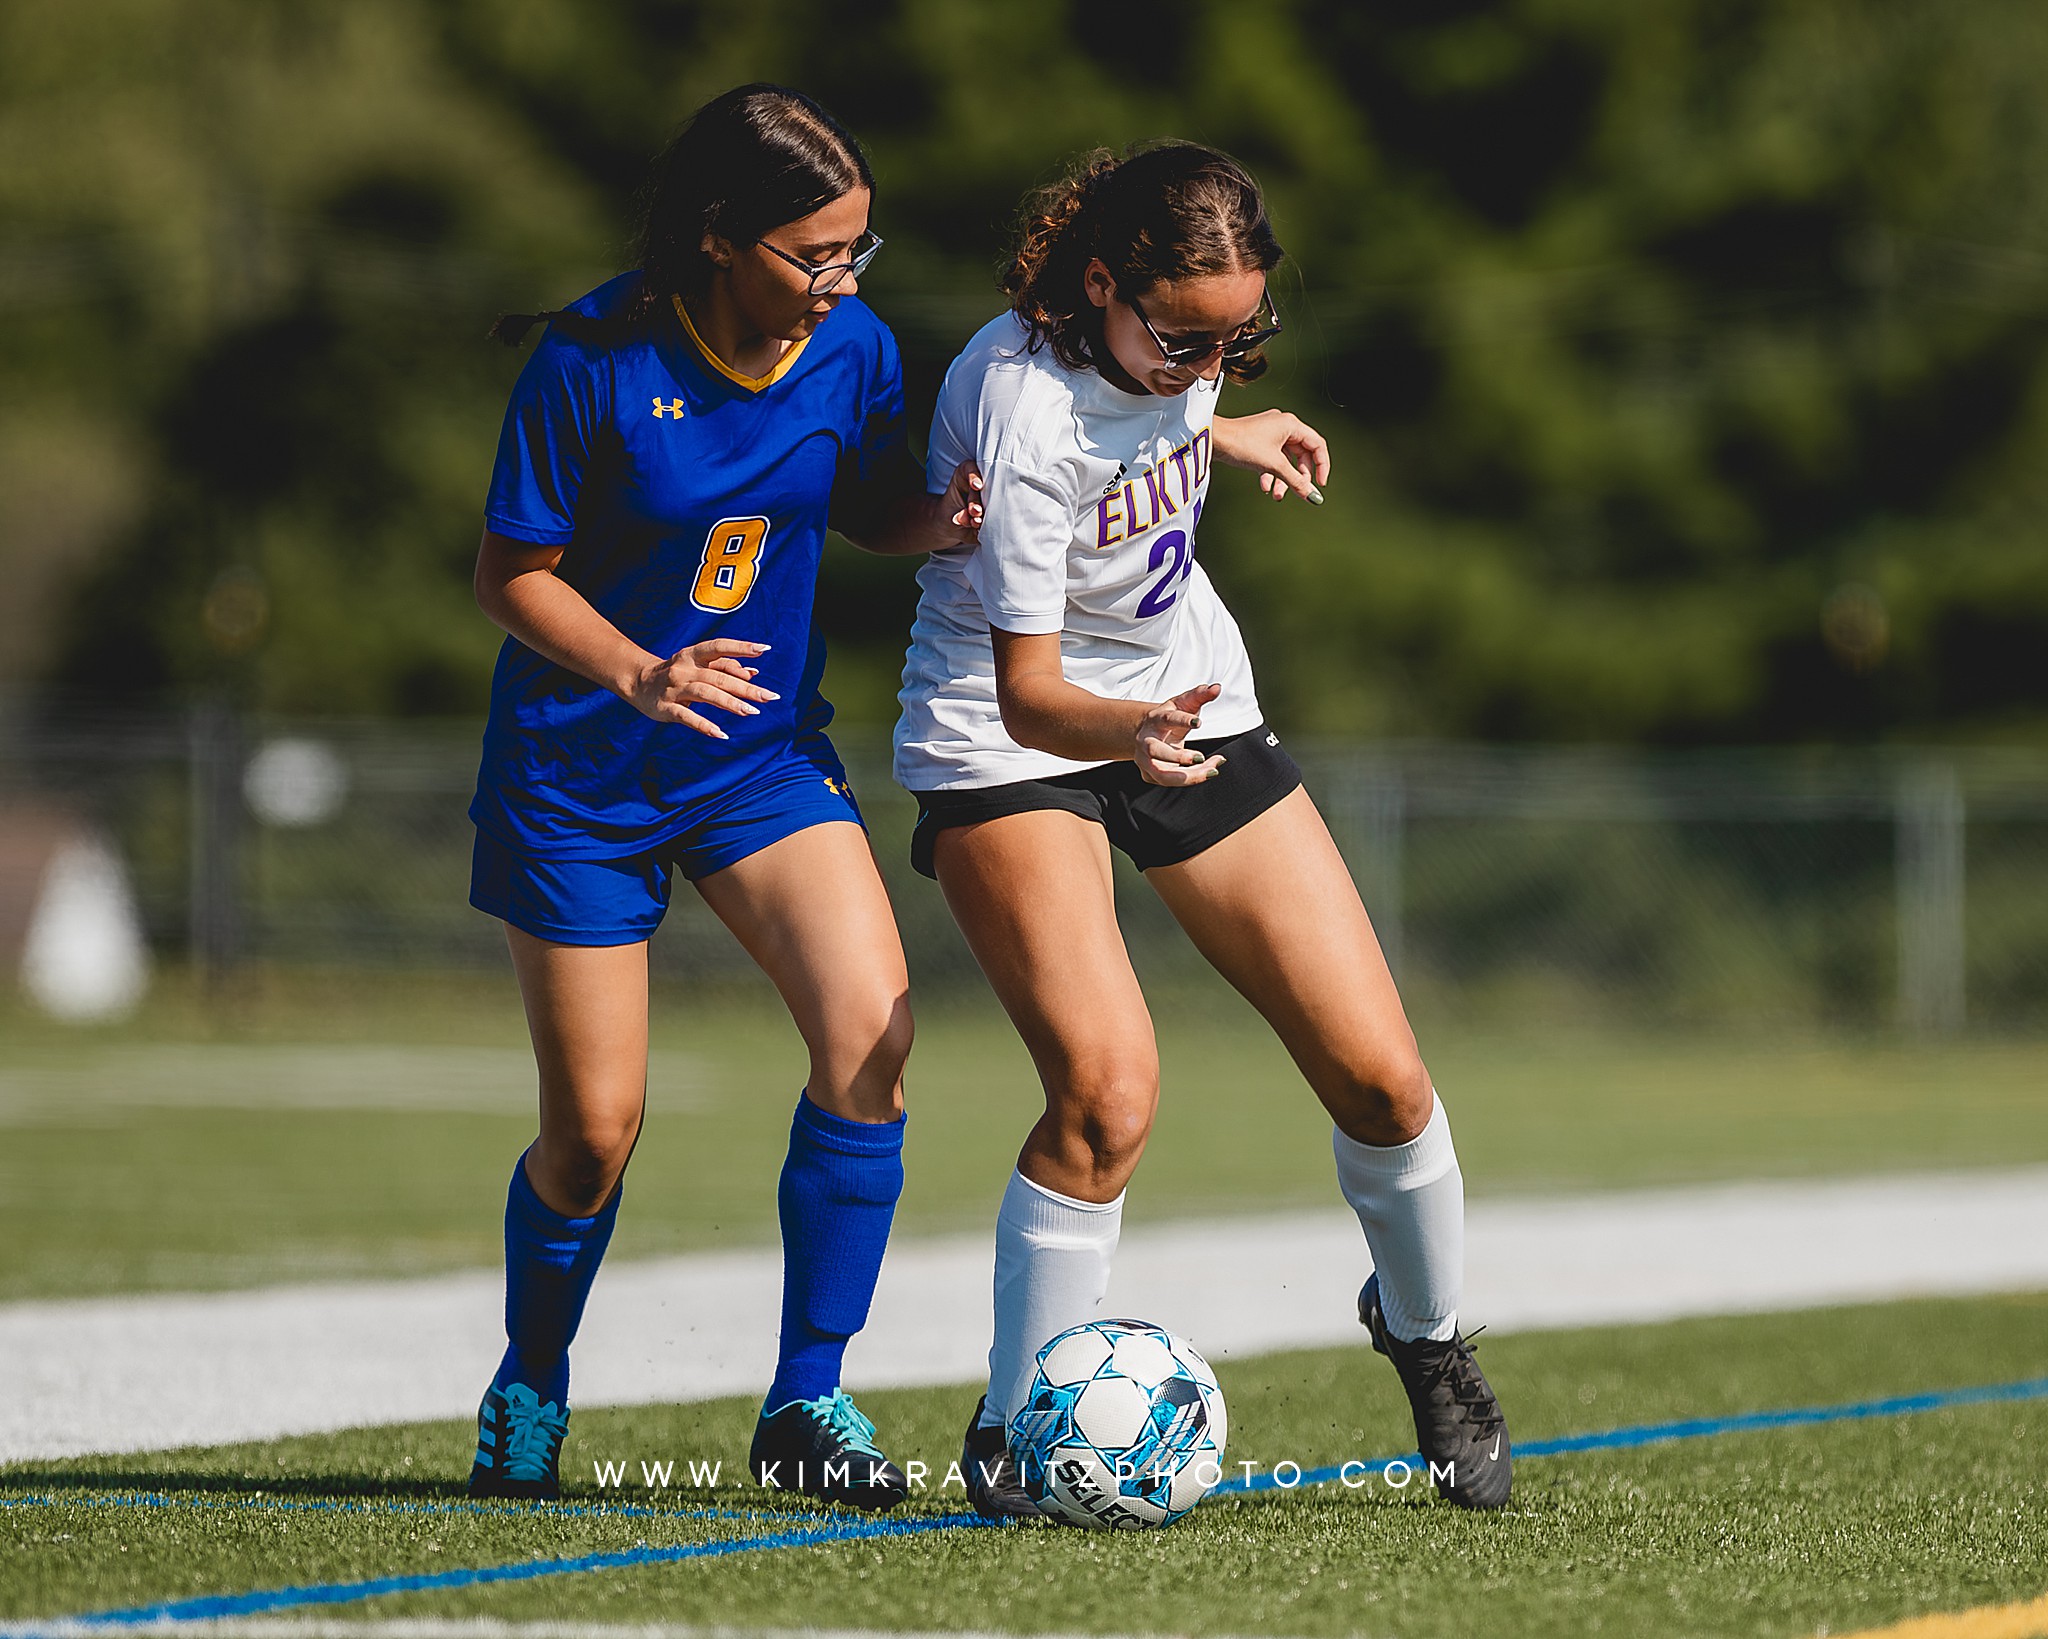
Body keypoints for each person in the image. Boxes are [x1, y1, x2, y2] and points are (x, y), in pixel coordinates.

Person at [894, 142, 1513, 1517]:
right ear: (1101, 285)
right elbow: (1031, 690)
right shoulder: (1016, 406)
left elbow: (1159, 420)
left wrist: (1229, 427)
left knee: (1385, 1086)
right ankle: (1009, 1432)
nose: (1209, 363)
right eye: (1186, 340)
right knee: (1109, 1090)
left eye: (1243, 339)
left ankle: (1425, 1340)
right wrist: (1129, 738)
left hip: (1188, 703)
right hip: (1016, 733)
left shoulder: (1179, 357)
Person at [465, 83, 981, 1510]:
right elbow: (510, 576)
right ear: (714, 240)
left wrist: (931, 523)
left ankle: (809, 1399)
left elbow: (860, 496)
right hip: (579, 780)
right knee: (595, 1132)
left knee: (874, 1035)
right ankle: (532, 1377)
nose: (841, 282)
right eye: (814, 254)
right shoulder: (590, 360)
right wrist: (635, 673)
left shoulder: (854, 346)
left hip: (755, 757)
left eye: (858, 252)